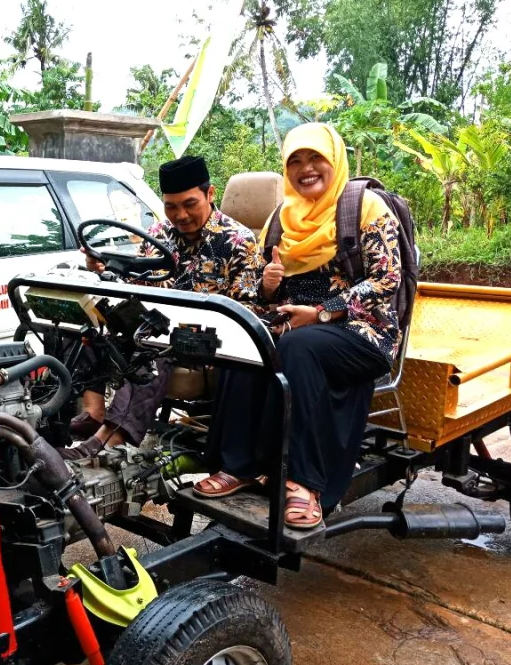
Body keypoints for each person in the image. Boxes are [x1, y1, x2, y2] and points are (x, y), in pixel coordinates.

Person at [194, 123, 401, 530]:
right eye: (295, 161)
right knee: (245, 339)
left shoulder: (367, 207)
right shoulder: (281, 217)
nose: (306, 169)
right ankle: (241, 465)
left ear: (333, 160)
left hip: (362, 332)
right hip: (298, 325)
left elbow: (387, 279)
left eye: (315, 158)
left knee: (298, 348)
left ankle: (303, 482)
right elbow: (257, 286)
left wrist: (324, 311)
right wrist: (268, 286)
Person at [60, 155, 264, 459]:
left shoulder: (238, 241)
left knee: (155, 341)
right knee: (84, 320)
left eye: (190, 204)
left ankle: (109, 439)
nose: (180, 215)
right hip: (154, 322)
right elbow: (140, 285)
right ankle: (92, 411)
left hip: (207, 339)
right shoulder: (158, 235)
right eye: (171, 206)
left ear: (210, 194)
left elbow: (248, 309)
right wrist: (106, 270)